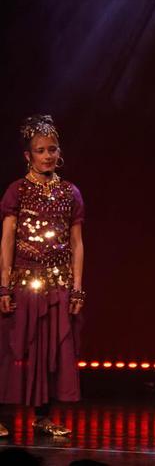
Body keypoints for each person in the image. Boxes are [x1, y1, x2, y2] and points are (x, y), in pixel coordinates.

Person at [0, 115, 85, 438]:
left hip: (58, 285)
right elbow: (7, 240)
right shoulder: (17, 191)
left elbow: (77, 244)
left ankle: (43, 417)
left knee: (52, 352)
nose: (48, 155)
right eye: (40, 150)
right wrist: (4, 286)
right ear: (28, 155)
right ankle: (2, 415)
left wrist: (77, 289)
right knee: (13, 350)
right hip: (23, 284)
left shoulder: (70, 192)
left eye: (52, 149)